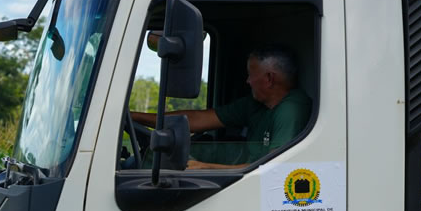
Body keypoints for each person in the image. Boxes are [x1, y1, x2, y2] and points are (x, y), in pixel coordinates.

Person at [132, 47, 311, 169]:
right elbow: (197, 119)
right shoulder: (256, 103)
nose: (247, 81)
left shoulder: (291, 110)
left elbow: (273, 169)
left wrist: (207, 168)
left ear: (269, 79)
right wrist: (135, 117)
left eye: (251, 75)